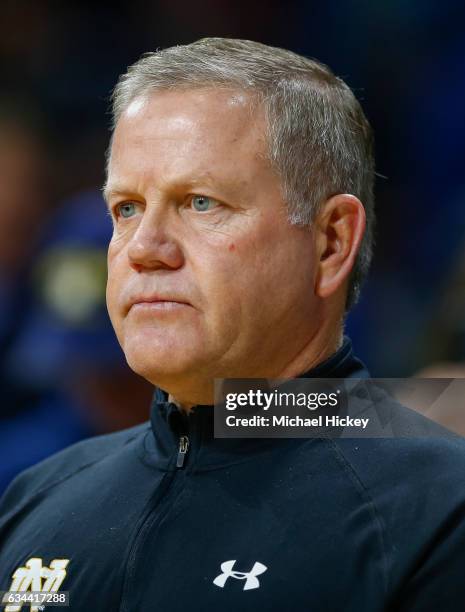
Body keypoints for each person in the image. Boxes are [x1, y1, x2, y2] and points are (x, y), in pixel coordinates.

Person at [1, 38, 465, 612]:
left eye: (200, 203)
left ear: (330, 243)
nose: (144, 248)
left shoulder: (440, 508)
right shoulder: (35, 499)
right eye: (126, 208)